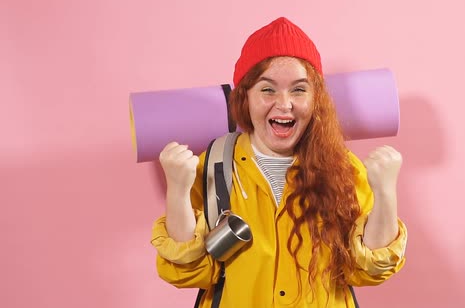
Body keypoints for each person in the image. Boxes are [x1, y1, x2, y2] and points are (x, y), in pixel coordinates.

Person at [151, 17, 407, 307]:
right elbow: (188, 273)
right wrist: (177, 190)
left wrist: (386, 194)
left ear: (315, 99)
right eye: (267, 89)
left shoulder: (344, 169)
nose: (284, 104)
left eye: (299, 89)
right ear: (245, 97)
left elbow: (367, 270)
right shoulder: (214, 166)